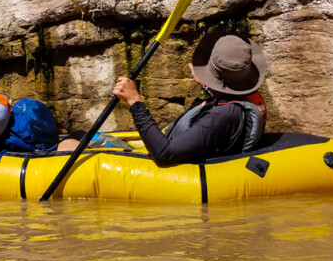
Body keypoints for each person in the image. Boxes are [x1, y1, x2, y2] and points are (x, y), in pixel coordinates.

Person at [113, 33, 267, 165]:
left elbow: (164, 153)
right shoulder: (243, 97)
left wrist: (135, 102)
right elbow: (225, 96)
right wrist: (206, 84)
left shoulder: (222, 115)